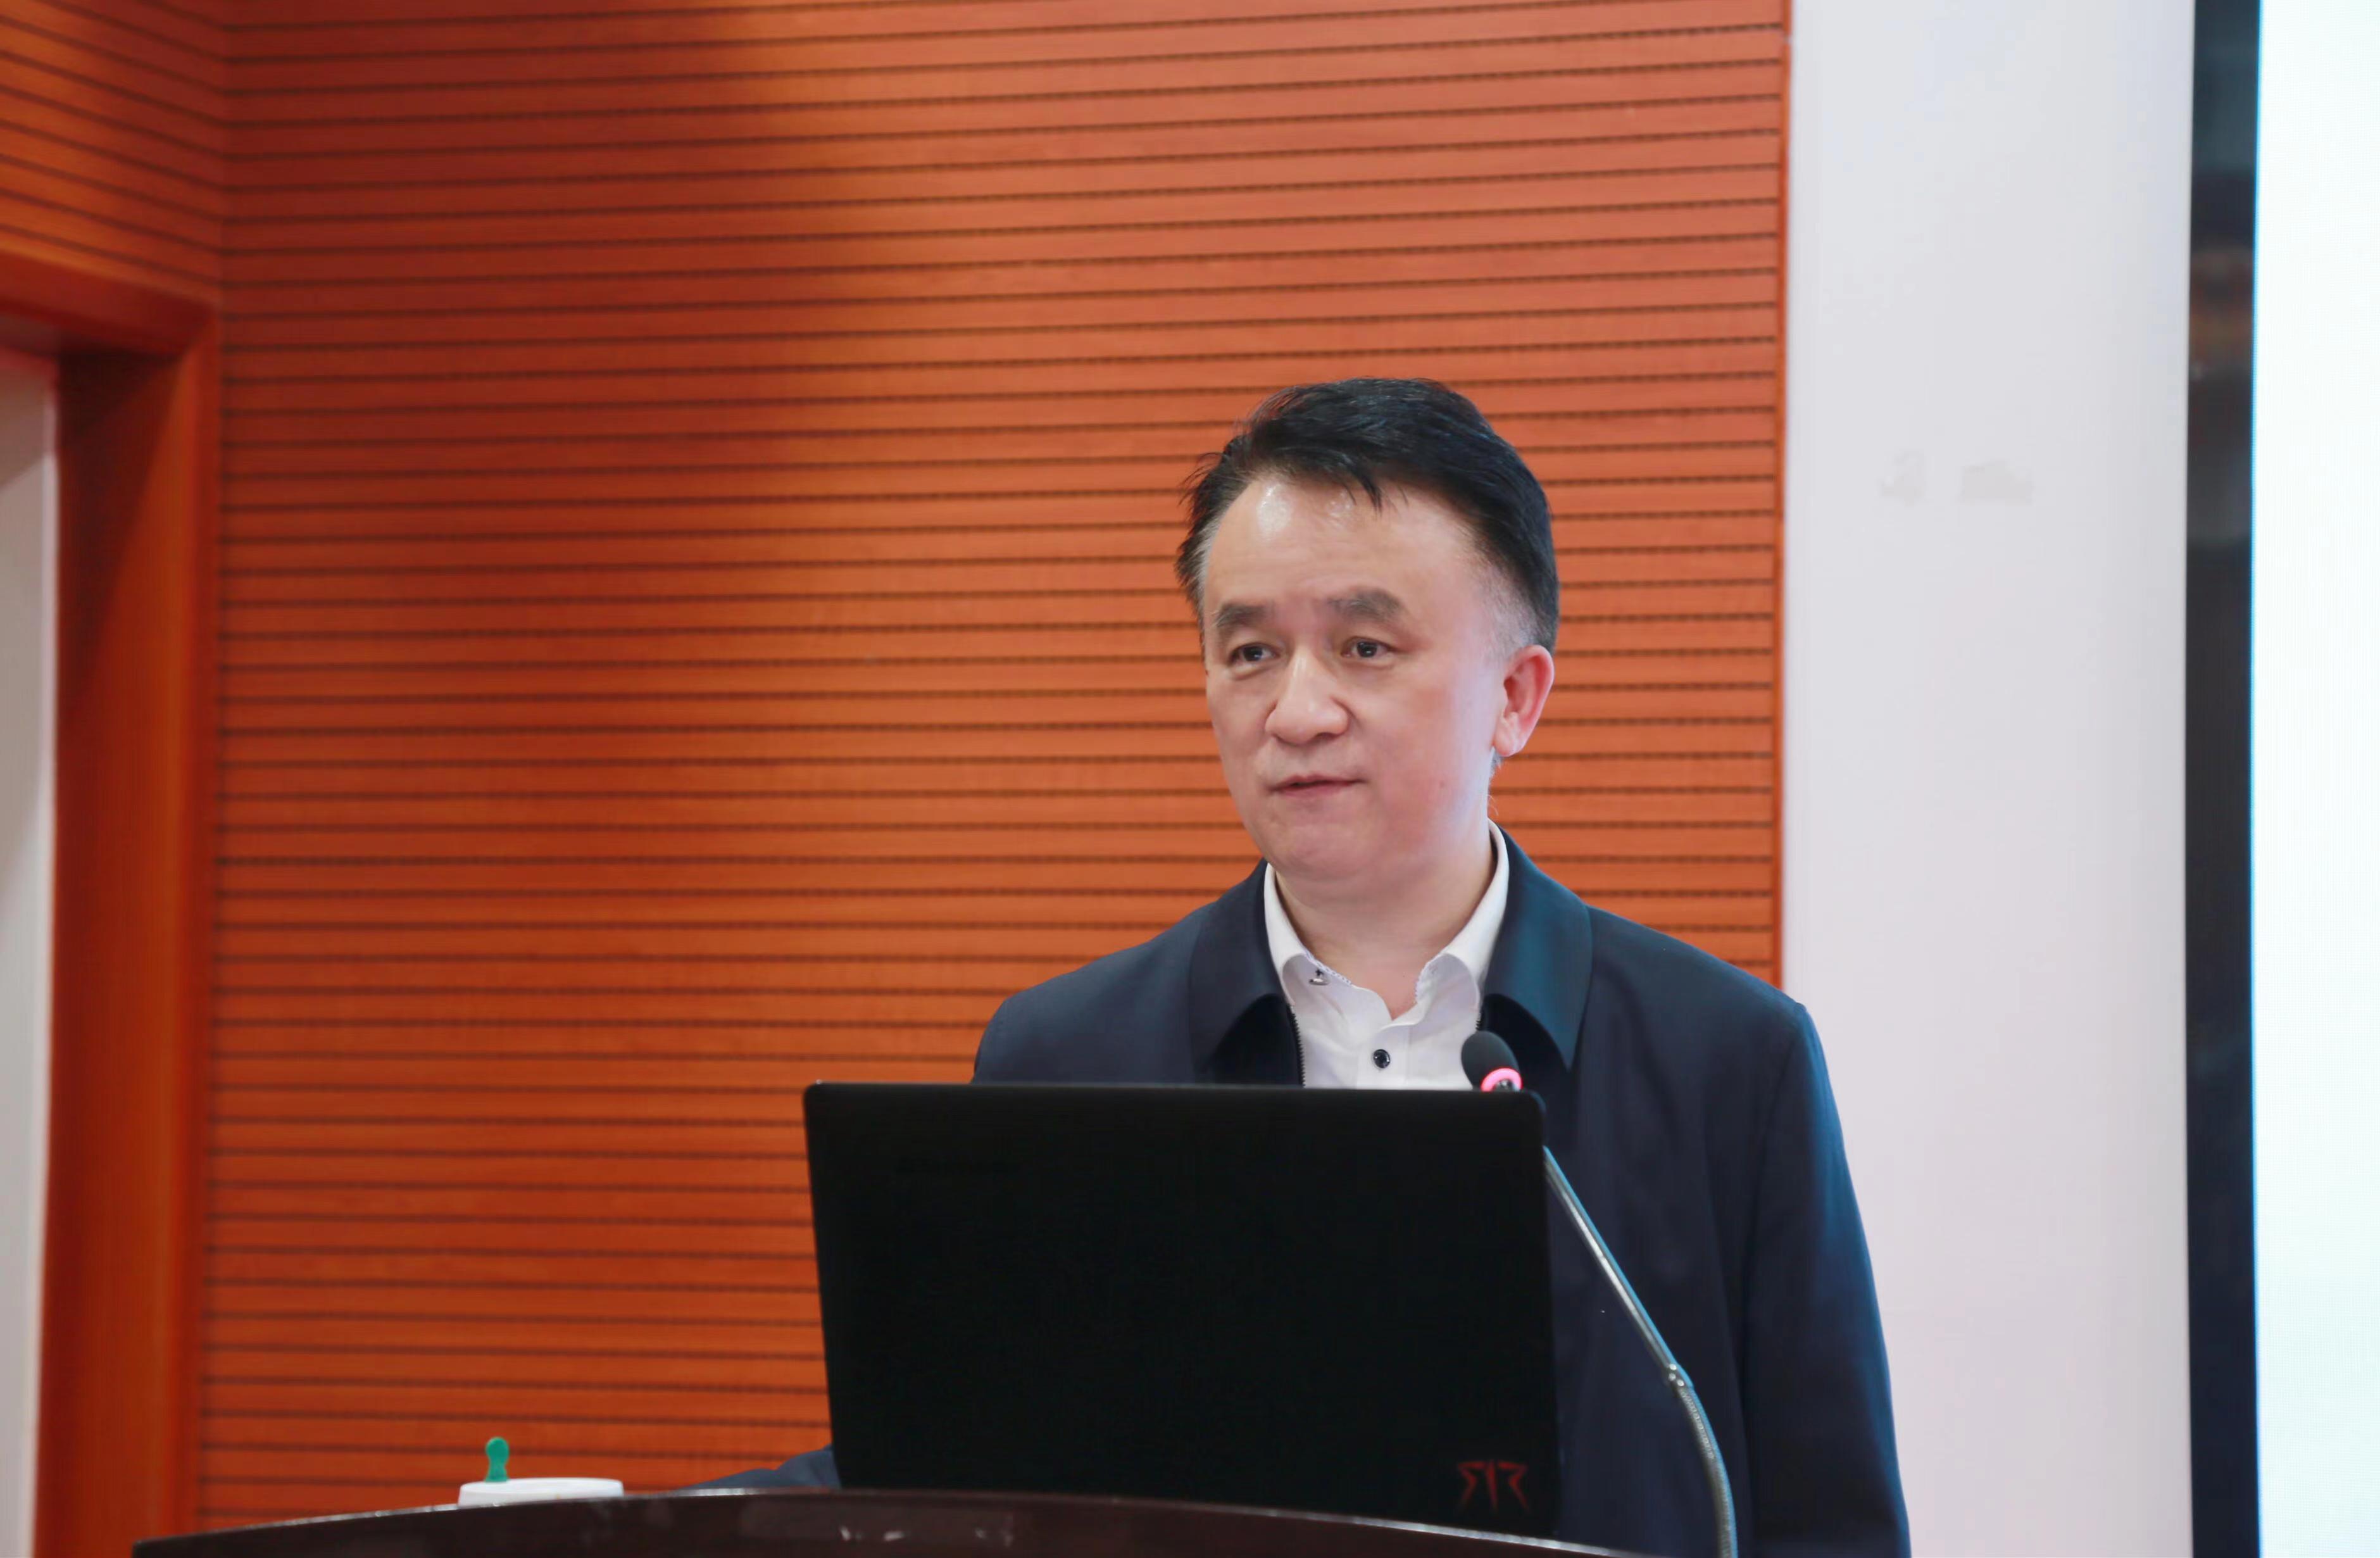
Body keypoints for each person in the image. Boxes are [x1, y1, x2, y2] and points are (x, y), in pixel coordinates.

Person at [708, 379, 1909, 1558]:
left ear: (1515, 697)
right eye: (1250, 651)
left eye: (1364, 646)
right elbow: (957, 1469)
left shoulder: (1728, 1062)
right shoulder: (1067, 1055)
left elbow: (1832, 1526)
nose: (1296, 711)